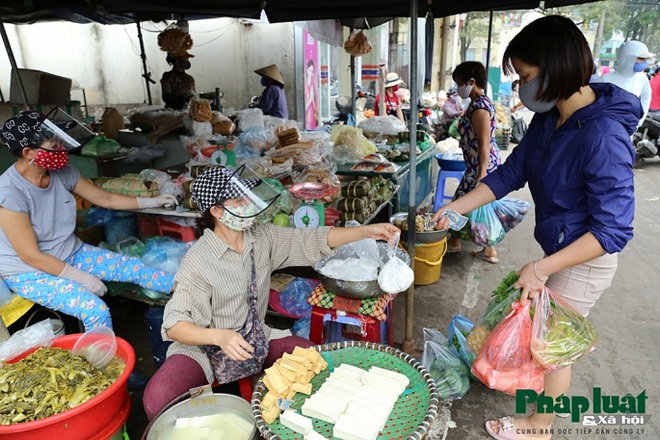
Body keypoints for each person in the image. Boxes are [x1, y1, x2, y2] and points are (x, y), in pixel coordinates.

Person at [431, 15, 642, 440]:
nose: (520, 88)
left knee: (552, 353)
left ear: (557, 69)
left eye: (525, 77)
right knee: (543, 343)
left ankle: (538, 427)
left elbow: (613, 231)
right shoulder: (550, 121)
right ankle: (536, 416)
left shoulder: (602, 135)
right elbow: (511, 173)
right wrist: (456, 208)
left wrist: (542, 269)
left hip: (583, 259)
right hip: (560, 249)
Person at [142, 166, 399, 420]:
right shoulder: (197, 261)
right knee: (158, 399)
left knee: (315, 363)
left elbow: (312, 239)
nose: (247, 203)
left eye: (246, 196)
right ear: (217, 211)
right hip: (203, 346)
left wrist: (367, 231)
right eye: (238, 198)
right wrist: (220, 336)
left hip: (255, 337)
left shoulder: (262, 237)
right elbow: (175, 325)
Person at [0, 111, 179, 332]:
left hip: (70, 252)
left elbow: (106, 198)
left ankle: (191, 290)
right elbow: (30, 255)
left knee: (137, 268)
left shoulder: (61, 172)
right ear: (29, 152)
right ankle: (104, 363)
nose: (61, 149)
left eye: (59, 141)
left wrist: (151, 201)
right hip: (28, 270)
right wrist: (80, 277)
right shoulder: (10, 192)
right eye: (53, 145)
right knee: (95, 310)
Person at [447, 61, 501, 263]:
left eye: (460, 82)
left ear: (471, 81)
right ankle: (460, 242)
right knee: (472, 204)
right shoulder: (478, 103)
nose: (458, 87)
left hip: (481, 165)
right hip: (476, 164)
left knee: (463, 203)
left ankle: (479, 247)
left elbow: (484, 143)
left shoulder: (480, 107)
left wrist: (482, 174)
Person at [595, 40, 653, 125]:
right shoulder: (604, 80)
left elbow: (646, 97)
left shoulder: (642, 78)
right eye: (641, 58)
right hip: (605, 128)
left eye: (645, 59)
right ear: (628, 58)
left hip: (628, 129)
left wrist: (639, 121)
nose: (645, 62)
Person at [304, 59, 319, 128]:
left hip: (313, 118)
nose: (311, 74)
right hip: (307, 120)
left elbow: (315, 104)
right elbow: (304, 108)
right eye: (309, 71)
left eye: (312, 71)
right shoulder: (305, 86)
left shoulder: (312, 85)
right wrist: (310, 98)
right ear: (306, 70)